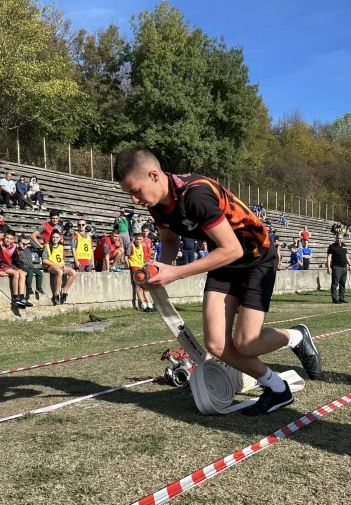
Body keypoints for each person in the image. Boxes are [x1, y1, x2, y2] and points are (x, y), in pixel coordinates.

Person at [114, 147, 323, 416]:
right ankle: (277, 388)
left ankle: (296, 336)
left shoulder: (196, 195)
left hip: (256, 257)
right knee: (216, 345)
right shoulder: (157, 205)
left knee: (247, 344)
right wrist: (158, 268)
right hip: (225, 259)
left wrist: (176, 273)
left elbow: (233, 249)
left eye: (136, 191)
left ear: (154, 175)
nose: (133, 200)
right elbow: (169, 241)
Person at [0, 229, 31, 308]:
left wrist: (21, 269)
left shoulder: (13, 245)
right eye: (7, 238)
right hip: (1, 265)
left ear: (13, 239)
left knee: (22, 274)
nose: (8, 240)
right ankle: (15, 298)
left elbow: (17, 258)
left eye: (10, 239)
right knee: (16, 274)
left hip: (10, 265)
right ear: (4, 237)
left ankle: (21, 297)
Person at [42, 230, 77, 305]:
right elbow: (44, 260)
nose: (55, 239)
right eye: (53, 237)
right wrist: (55, 265)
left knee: (73, 272)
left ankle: (64, 291)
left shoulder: (61, 246)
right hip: (50, 266)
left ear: (59, 238)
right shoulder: (47, 246)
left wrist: (63, 265)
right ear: (51, 238)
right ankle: (56, 293)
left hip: (59, 266)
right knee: (60, 272)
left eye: (57, 237)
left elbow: (62, 259)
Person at [126, 232, 155, 312]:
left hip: (141, 267)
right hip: (135, 268)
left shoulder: (142, 246)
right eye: (137, 239)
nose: (138, 241)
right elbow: (126, 257)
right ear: (135, 239)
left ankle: (149, 304)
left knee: (145, 286)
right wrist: (129, 267)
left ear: (142, 240)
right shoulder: (131, 245)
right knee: (138, 287)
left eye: (140, 239)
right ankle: (143, 305)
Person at [326, 232, 351, 304]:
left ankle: (341, 298)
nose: (339, 240)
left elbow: (346, 255)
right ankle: (335, 299)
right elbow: (329, 257)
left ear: (343, 239)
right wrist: (328, 267)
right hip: (336, 267)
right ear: (335, 238)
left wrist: (349, 264)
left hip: (344, 267)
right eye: (338, 238)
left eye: (340, 238)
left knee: (342, 284)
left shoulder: (344, 246)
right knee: (335, 284)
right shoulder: (332, 247)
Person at [18, 237, 44, 301]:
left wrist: (29, 241)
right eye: (22, 243)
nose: (24, 245)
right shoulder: (17, 250)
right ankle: (28, 288)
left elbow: (36, 246)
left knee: (40, 273)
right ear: (18, 243)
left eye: (25, 244)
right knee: (30, 273)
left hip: (31, 266)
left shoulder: (28, 249)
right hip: (23, 266)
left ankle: (39, 288)